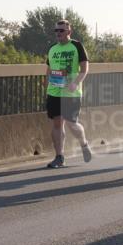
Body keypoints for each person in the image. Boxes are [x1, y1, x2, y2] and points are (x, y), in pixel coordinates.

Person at [44, 19, 91, 168]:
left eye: (61, 30)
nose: (58, 33)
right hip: (54, 91)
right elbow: (49, 70)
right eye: (56, 31)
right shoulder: (52, 48)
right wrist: (46, 86)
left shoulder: (76, 46)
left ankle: (83, 143)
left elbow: (84, 69)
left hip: (71, 92)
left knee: (71, 124)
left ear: (69, 32)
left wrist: (75, 82)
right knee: (57, 124)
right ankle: (59, 157)